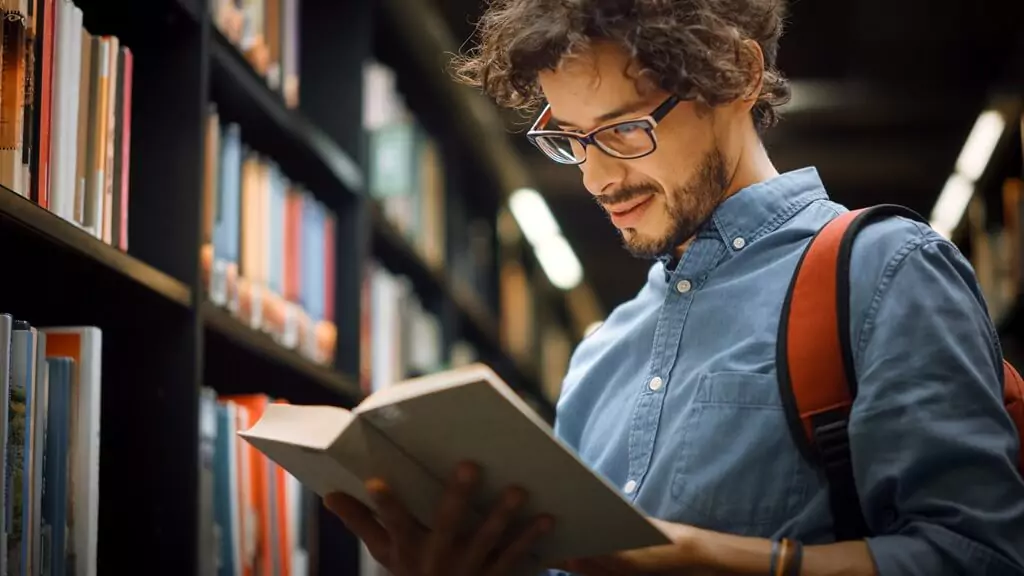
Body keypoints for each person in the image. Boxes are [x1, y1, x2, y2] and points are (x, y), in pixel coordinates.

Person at [323, 0, 1024, 574]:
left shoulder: (886, 271)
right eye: (569, 137)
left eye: (624, 129)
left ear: (739, 77)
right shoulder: (601, 356)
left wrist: (702, 559)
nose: (596, 179)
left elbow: (981, 556)